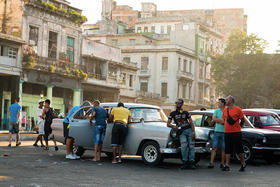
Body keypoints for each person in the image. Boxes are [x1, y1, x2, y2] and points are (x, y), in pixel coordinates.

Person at [167, 99, 196, 169]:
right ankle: (184, 162)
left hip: (189, 130)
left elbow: (191, 122)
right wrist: (173, 126)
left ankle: (192, 162)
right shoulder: (172, 113)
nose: (178, 105)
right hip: (181, 132)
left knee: (191, 146)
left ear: (182, 104)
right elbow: (168, 123)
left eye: (179, 103)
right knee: (184, 146)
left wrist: (193, 132)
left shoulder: (186, 112)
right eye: (177, 103)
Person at [222, 95, 246, 172]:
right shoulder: (225, 110)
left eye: (227, 99)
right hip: (227, 132)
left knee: (239, 149)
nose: (225, 101)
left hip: (236, 132)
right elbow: (224, 120)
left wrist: (239, 127)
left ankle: (243, 163)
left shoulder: (238, 110)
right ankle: (227, 165)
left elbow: (242, 120)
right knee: (227, 149)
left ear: (231, 101)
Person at [208, 98, 226, 169]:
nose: (218, 104)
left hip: (225, 132)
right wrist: (222, 121)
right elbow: (214, 119)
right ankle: (211, 163)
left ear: (223, 104)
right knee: (214, 147)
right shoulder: (216, 110)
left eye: (219, 103)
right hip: (217, 131)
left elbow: (226, 121)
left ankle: (222, 163)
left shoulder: (227, 111)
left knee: (223, 148)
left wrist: (218, 120)